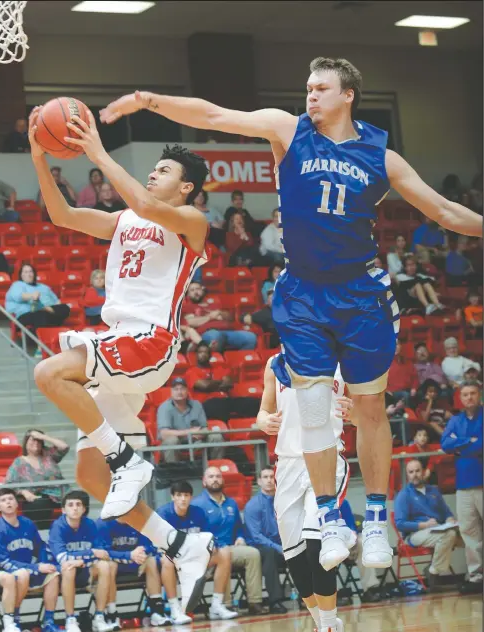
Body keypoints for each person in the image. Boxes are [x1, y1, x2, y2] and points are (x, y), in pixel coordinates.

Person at [100, 56, 482, 572]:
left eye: (321, 88)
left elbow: (446, 212)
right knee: (315, 410)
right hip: (302, 293)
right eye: (307, 87)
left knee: (370, 409)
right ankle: (330, 518)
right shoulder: (288, 129)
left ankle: (373, 518)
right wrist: (147, 101)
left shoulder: (381, 155)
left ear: (348, 94)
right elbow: (213, 116)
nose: (310, 95)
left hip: (361, 293)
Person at [28, 106, 214, 615]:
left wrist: (96, 152)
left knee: (48, 372)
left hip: (149, 341)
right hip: (121, 346)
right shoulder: (125, 218)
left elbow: (146, 203)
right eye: (154, 166)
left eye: (166, 170)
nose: (156, 171)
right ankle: (180, 545)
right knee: (91, 479)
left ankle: (125, 459)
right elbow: (62, 215)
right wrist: (39, 155)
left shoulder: (190, 223)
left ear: (187, 190)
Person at [256, 356, 351, 632]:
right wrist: (264, 421)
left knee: (316, 546)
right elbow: (263, 410)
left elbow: (364, 407)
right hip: (287, 464)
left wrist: (353, 410)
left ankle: (329, 626)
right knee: (295, 560)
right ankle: (323, 624)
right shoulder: (274, 362)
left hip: (326, 459)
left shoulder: (339, 361)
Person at [157, 481, 238, 622]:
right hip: (173, 558)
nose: (183, 499)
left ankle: (217, 606)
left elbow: (208, 535)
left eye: (186, 495)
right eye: (179, 495)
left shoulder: (198, 512)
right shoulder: (163, 513)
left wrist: (212, 546)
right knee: (167, 560)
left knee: (224, 553)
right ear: (173, 497)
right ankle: (175, 609)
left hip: (194, 556)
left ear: (191, 497)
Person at [193, 466, 264, 615]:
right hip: (209, 552)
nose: (215, 479)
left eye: (218, 476)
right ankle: (224, 604)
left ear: (223, 480)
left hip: (231, 547)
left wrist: (240, 537)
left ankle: (255, 602)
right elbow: (195, 534)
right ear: (204, 481)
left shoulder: (231, 503)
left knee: (253, 553)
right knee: (223, 556)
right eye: (211, 477)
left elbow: (239, 526)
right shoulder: (197, 505)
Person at [0, 488, 60, 632]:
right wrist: (35, 568)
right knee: (22, 574)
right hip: (8, 573)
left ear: (16, 504)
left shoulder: (27, 523)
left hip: (30, 567)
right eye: (3, 500)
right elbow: (3, 561)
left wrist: (43, 563)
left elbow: (40, 546)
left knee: (53, 574)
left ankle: (49, 622)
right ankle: (14, 619)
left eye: (11, 499)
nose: (8, 502)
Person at [48, 491, 115, 632]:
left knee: (104, 565)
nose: (75, 508)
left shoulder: (90, 524)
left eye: (78, 505)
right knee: (69, 567)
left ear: (84, 509)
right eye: (70, 505)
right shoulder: (57, 526)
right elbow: (62, 557)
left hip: (85, 569)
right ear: (63, 510)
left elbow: (101, 553)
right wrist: (88, 554)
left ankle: (99, 617)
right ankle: (70, 619)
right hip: (60, 574)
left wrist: (80, 558)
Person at [441, 381, 483, 595]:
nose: (469, 398)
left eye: (473, 393)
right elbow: (445, 443)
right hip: (463, 485)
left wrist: (461, 444)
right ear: (460, 397)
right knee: (469, 532)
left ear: (479, 395)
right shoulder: (456, 420)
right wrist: (471, 442)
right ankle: (476, 577)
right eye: (465, 394)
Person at [394, 459, 461, 590]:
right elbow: (400, 524)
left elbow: (447, 512)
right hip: (415, 534)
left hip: (439, 529)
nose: (415, 474)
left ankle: (474, 576)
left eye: (417, 471)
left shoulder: (434, 491)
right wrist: (424, 525)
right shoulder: (404, 495)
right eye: (411, 472)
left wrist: (450, 519)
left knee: (470, 535)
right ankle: (433, 573)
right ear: (407, 475)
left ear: (423, 472)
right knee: (449, 535)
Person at [95, 519, 169, 629]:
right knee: (109, 565)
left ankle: (157, 612)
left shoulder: (138, 520)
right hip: (116, 562)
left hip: (135, 562)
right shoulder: (103, 523)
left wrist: (143, 550)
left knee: (151, 561)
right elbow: (103, 552)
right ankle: (112, 614)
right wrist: (129, 555)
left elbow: (151, 545)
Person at [243, 466, 288, 614]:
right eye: (265, 477)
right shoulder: (252, 505)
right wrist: (278, 548)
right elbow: (256, 536)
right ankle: (275, 602)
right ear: (259, 481)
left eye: (271, 477)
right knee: (270, 553)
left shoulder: (284, 502)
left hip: (280, 545)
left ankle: (307, 596)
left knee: (303, 548)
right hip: (259, 547)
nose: (269, 480)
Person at [5, 429, 69, 529]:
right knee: (39, 505)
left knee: (81, 498)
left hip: (61, 494)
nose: (36, 442)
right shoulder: (19, 462)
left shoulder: (49, 455)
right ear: (26, 442)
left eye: (39, 440)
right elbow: (8, 484)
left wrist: (44, 436)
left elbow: (64, 447)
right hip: (37, 498)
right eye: (33, 439)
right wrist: (23, 492)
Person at [184, 341, 260, 422]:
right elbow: (205, 386)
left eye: (206, 352)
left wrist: (211, 384)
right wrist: (220, 383)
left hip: (225, 401)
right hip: (206, 404)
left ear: (210, 355)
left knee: (253, 402)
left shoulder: (219, 369)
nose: (203, 354)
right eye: (200, 352)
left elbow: (228, 384)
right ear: (196, 355)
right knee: (217, 406)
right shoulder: (191, 372)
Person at [157, 377, 224, 462]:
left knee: (216, 436)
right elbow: (164, 434)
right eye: (176, 389)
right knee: (171, 440)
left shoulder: (196, 404)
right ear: (171, 392)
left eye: (182, 389)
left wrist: (200, 433)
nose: (179, 392)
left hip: (196, 441)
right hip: (177, 442)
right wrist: (189, 432)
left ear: (187, 391)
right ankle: (173, 472)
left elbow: (204, 428)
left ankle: (215, 469)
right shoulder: (164, 407)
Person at [182, 281, 257, 352]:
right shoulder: (188, 307)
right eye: (192, 290)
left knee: (251, 338)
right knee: (216, 337)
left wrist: (220, 312)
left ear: (202, 290)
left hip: (228, 331)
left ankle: (236, 360)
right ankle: (217, 360)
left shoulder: (214, 304)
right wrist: (211, 317)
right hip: (208, 332)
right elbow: (191, 322)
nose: (195, 292)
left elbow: (230, 318)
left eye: (197, 289)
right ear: (188, 294)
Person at [5, 264, 71, 330]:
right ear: (21, 275)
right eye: (25, 272)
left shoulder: (44, 287)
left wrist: (51, 308)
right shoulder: (17, 284)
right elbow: (19, 296)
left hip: (48, 313)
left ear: (34, 274)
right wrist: (32, 296)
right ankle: (41, 335)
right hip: (24, 315)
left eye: (31, 272)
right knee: (41, 315)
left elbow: (56, 302)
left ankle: (44, 309)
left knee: (65, 307)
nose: (29, 274)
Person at [339, 500, 381, 603]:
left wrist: (353, 537)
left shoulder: (342, 502)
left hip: (345, 541)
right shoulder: (315, 502)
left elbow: (350, 523)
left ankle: (369, 589)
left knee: (363, 542)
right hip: (325, 542)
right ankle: (334, 593)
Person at [387, 341, 419, 406]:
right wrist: (386, 391)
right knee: (405, 395)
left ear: (400, 346)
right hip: (392, 392)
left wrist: (414, 388)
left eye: (397, 344)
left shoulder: (407, 362)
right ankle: (406, 414)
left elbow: (415, 377)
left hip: (408, 390)